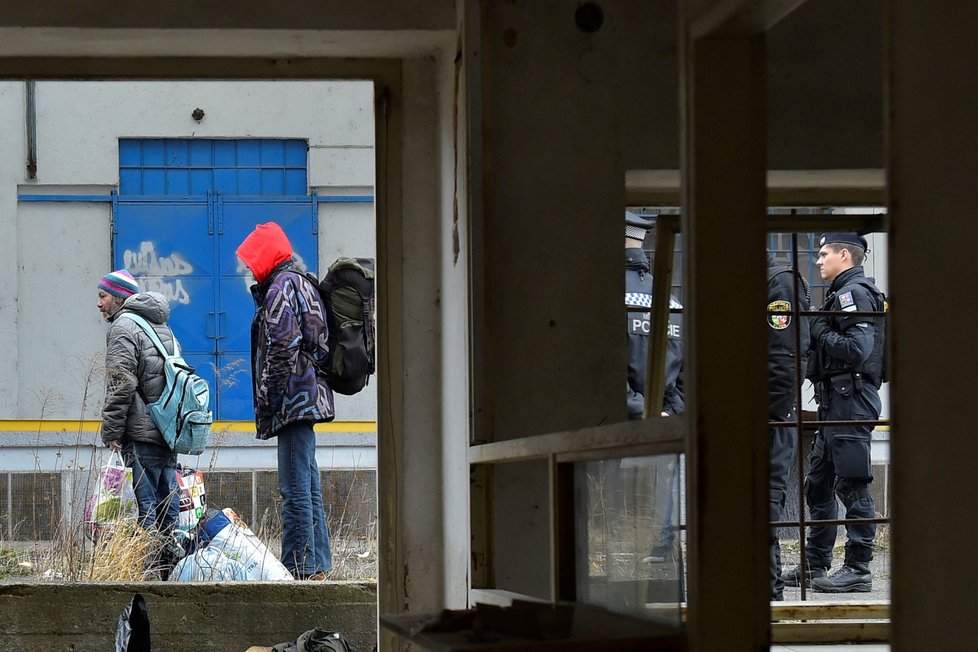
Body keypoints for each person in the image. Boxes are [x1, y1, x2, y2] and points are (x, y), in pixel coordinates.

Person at [782, 233, 885, 593]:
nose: (820, 260)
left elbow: (858, 349)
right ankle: (815, 563)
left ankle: (858, 569)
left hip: (850, 402)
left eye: (825, 254)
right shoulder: (841, 293)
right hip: (835, 402)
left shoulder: (851, 294)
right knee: (818, 485)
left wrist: (820, 330)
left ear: (845, 255)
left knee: (853, 485)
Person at [236, 222, 335, 580]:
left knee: (293, 489)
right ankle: (318, 564)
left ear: (266, 255)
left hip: (293, 400)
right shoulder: (302, 282)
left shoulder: (280, 287)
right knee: (308, 484)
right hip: (307, 396)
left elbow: (281, 346)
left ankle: (298, 570)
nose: (249, 268)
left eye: (251, 260)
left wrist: (267, 398)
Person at [98, 269, 181, 574]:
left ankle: (148, 576)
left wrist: (111, 431)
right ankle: (172, 571)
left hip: (143, 433)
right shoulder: (160, 326)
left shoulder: (123, 327)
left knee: (146, 508)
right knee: (168, 505)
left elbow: (121, 384)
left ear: (119, 298)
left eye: (103, 296)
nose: (99, 303)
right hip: (168, 430)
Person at [623, 211, 684, 564]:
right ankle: (665, 548)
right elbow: (684, 367)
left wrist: (638, 407)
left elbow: (598, 367)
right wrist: (671, 411)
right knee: (669, 488)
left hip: (621, 419)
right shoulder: (668, 297)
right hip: (666, 415)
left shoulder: (601, 294)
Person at [766, 252, 810, 600]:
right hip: (754, 414)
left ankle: (767, 592)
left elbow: (786, 358)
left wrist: (770, 414)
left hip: (769, 417)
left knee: (764, 504)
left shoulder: (778, 282)